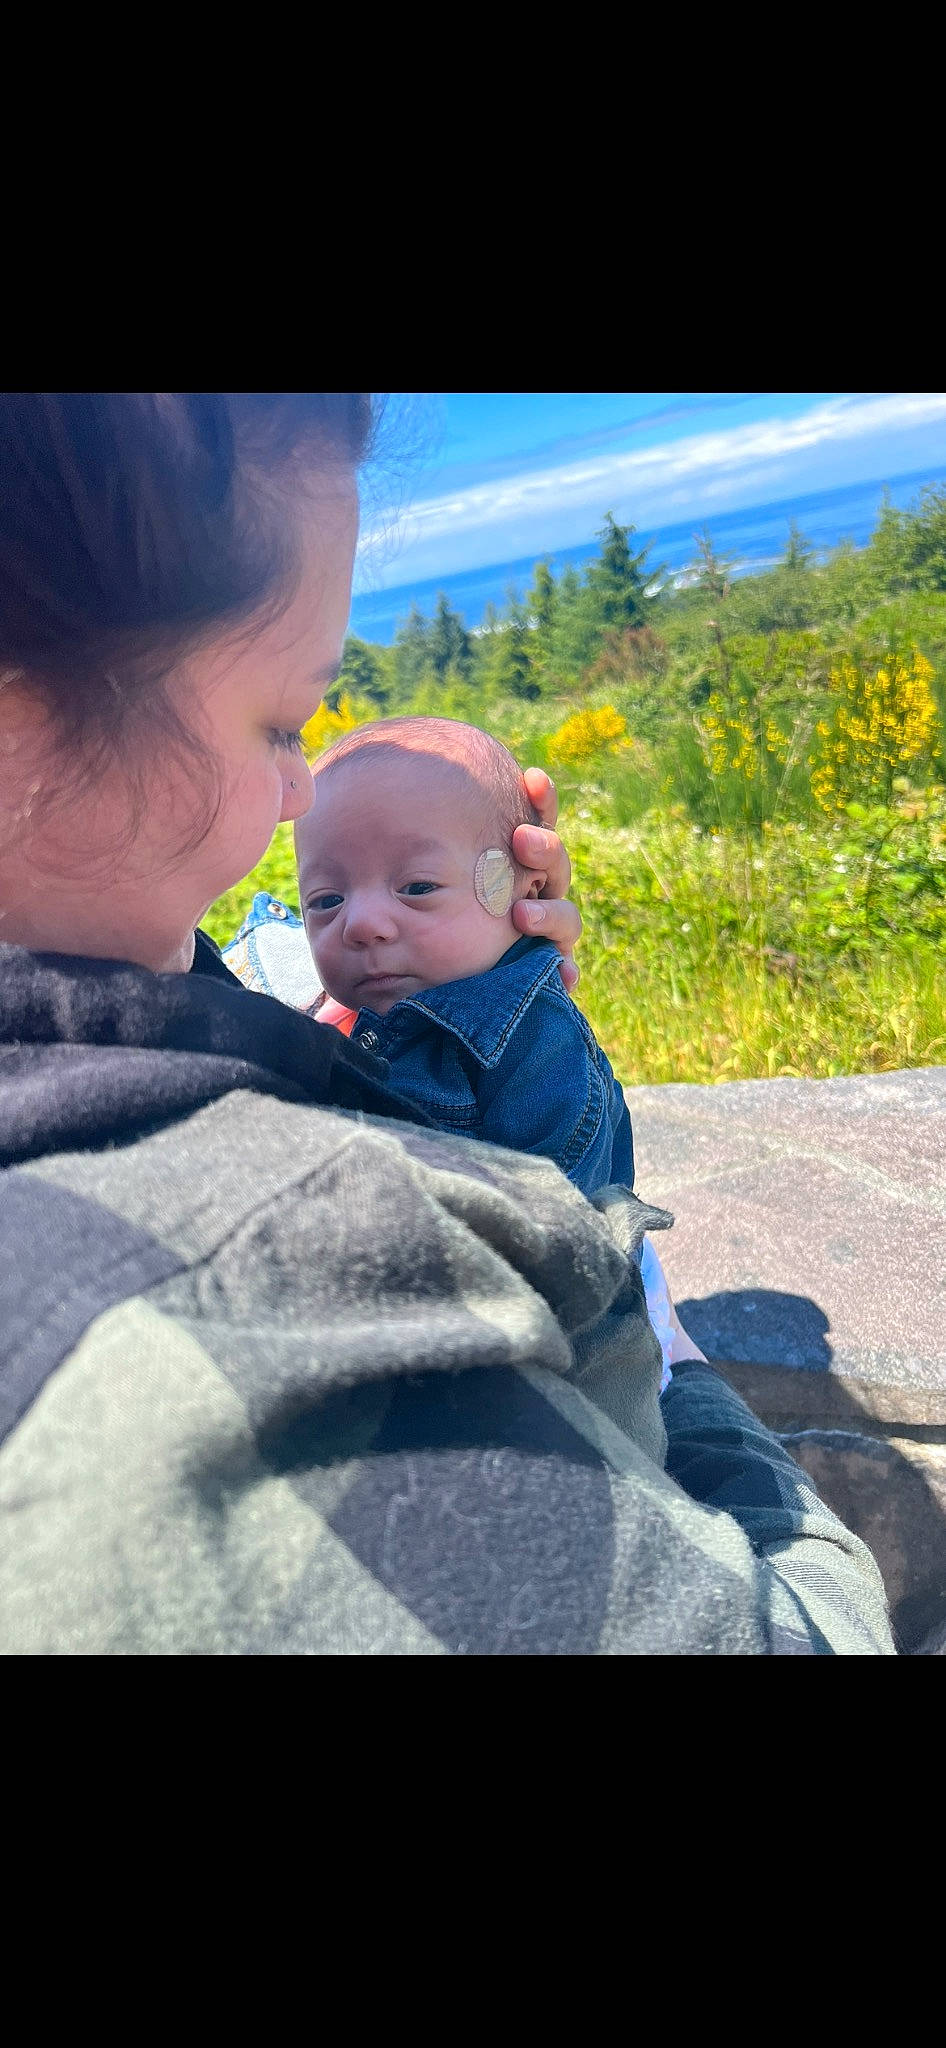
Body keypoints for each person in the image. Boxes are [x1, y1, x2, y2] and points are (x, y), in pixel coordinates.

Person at [0, 392, 895, 1655]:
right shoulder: (294, 1290)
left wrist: (341, 1003)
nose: (296, 785)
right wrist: (679, 1365)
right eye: (279, 725)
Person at [292, 713, 676, 1394]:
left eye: (416, 887)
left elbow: (562, 1252)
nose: (363, 924)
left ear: (525, 889)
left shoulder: (532, 1049)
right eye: (325, 899)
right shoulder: (339, 1017)